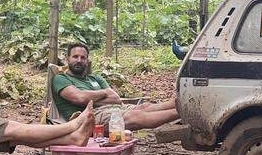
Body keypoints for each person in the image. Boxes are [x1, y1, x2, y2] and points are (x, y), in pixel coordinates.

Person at [51, 42, 179, 131]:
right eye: (75, 57)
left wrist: (90, 98)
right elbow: (79, 98)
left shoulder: (95, 78)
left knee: (146, 106)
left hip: (116, 107)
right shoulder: (61, 79)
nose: (79, 60)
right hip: (90, 116)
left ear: (87, 60)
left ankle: (186, 103)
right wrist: (103, 93)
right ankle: (184, 113)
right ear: (67, 59)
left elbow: (116, 99)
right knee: (135, 116)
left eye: (83, 57)